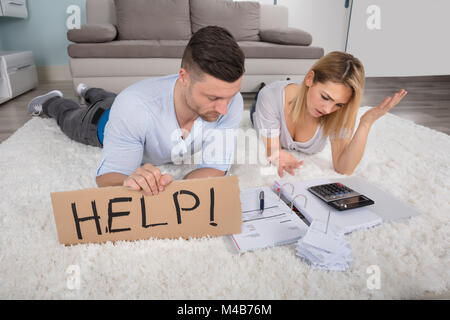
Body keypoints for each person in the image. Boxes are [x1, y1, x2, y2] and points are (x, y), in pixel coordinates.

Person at [27, 26, 245, 196]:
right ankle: (52, 101)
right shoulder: (133, 108)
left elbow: (215, 168)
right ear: (184, 77)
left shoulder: (231, 102)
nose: (224, 109)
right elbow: (107, 178)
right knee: (70, 116)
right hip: (100, 123)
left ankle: (89, 90)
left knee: (108, 97)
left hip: (122, 103)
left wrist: (175, 192)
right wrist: (126, 182)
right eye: (213, 98)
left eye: (230, 95)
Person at [250, 51, 407, 177]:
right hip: (265, 102)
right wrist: (278, 156)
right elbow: (273, 151)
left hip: (298, 94)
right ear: (310, 78)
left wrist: (366, 123)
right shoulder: (270, 98)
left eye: (338, 104)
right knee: (259, 101)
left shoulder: (338, 113)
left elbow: (344, 168)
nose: (327, 109)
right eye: (325, 97)